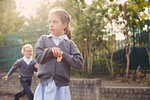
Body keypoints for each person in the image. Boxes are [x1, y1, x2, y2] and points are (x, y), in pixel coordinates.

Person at [34, 8, 84, 100]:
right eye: (50, 22)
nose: (51, 25)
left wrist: (63, 54)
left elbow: (79, 63)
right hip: (45, 86)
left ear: (64, 25)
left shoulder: (70, 44)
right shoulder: (43, 39)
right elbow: (38, 57)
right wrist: (50, 51)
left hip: (62, 89)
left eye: (55, 22)